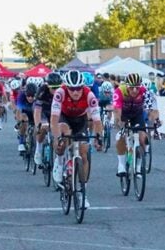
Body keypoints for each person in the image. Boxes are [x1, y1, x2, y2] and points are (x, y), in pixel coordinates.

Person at [51, 71, 105, 199]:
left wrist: (99, 137)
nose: (75, 92)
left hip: (80, 120)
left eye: (78, 88)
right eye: (72, 88)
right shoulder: (60, 93)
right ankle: (59, 163)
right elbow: (53, 119)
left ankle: (82, 190)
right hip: (64, 118)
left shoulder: (89, 95)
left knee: (84, 152)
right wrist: (58, 138)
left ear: (83, 87)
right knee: (63, 135)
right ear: (66, 87)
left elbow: (97, 121)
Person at [112, 72, 158, 176]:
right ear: (126, 86)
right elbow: (117, 110)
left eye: (137, 88)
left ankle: (138, 167)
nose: (134, 90)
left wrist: (154, 121)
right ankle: (121, 165)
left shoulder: (144, 92)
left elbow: (150, 109)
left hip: (137, 114)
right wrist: (119, 122)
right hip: (123, 114)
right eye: (132, 87)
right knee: (121, 137)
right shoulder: (119, 91)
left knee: (142, 138)